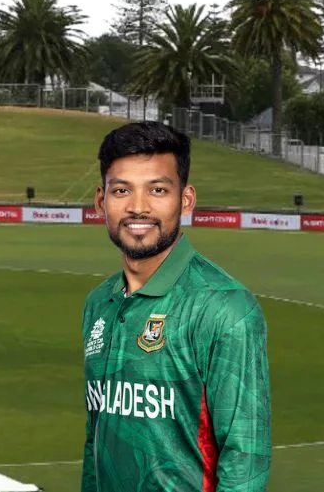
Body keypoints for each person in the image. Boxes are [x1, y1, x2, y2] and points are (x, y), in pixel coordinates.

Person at [81, 121, 271, 492]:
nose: (138, 207)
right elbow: (96, 441)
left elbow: (245, 459)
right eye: (122, 190)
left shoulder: (225, 308)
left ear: (185, 200)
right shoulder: (98, 304)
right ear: (101, 201)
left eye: (157, 190)